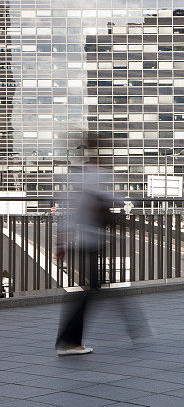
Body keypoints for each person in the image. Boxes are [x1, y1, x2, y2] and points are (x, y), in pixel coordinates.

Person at [55, 133, 150, 356]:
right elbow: (109, 200)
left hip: (86, 238)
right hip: (91, 238)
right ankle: (69, 341)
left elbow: (68, 210)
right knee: (93, 290)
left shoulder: (80, 175)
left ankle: (135, 328)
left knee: (97, 287)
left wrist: (61, 242)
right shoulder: (96, 175)